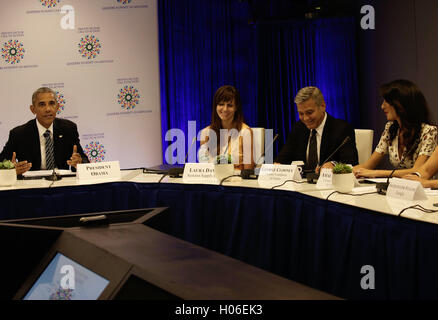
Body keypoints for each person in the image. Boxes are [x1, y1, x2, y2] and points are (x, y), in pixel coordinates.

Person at [353, 79, 437, 178]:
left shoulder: (429, 131)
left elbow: (417, 171)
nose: (382, 106)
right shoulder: (390, 128)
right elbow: (368, 166)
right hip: (398, 188)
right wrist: (343, 170)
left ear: (400, 104)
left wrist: (376, 173)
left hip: (420, 189)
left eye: (386, 101)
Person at [0, 87, 89, 175]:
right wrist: (11, 170)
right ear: (33, 109)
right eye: (42, 104)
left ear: (57, 107)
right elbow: (1, 164)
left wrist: (79, 163)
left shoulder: (68, 129)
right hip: (31, 185)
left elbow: (85, 161)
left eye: (51, 103)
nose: (48, 109)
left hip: (61, 183)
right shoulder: (19, 134)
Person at [275, 86, 358, 171]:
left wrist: (334, 165)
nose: (305, 118)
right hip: (302, 183)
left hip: (329, 182)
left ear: (322, 106)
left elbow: (351, 163)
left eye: (309, 112)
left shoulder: (342, 128)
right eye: (301, 113)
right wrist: (277, 165)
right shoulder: (298, 128)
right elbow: (284, 157)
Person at [198, 85, 254, 171]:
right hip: (212, 182)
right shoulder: (206, 133)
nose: (225, 109)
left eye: (230, 105)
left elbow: (248, 171)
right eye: (221, 104)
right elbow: (203, 168)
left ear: (236, 107)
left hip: (237, 182)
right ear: (215, 106)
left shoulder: (245, 132)